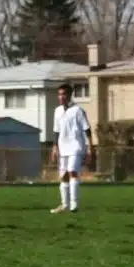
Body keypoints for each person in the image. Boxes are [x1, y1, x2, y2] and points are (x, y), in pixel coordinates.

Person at [49, 82, 93, 213]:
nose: (61, 97)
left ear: (69, 95)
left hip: (76, 146)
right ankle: (64, 205)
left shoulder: (78, 111)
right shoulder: (57, 111)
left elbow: (87, 130)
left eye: (63, 94)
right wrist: (55, 147)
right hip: (63, 148)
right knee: (63, 176)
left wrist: (90, 148)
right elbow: (56, 131)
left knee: (72, 171)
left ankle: (74, 204)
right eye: (59, 94)